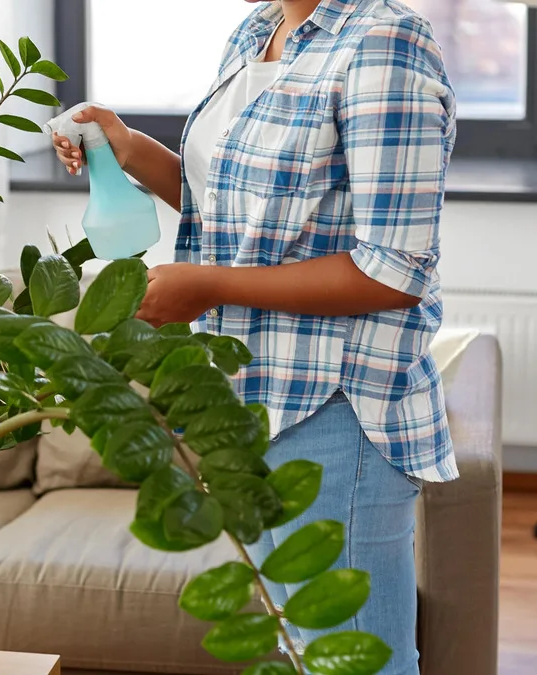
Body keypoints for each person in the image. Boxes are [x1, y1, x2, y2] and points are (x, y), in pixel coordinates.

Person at [51, 1, 456, 673]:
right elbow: (238, 210)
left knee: (355, 663)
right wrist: (127, 149)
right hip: (253, 403)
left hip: (337, 408)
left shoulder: (386, 43)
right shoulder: (258, 31)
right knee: (303, 656)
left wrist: (209, 286)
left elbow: (394, 269)